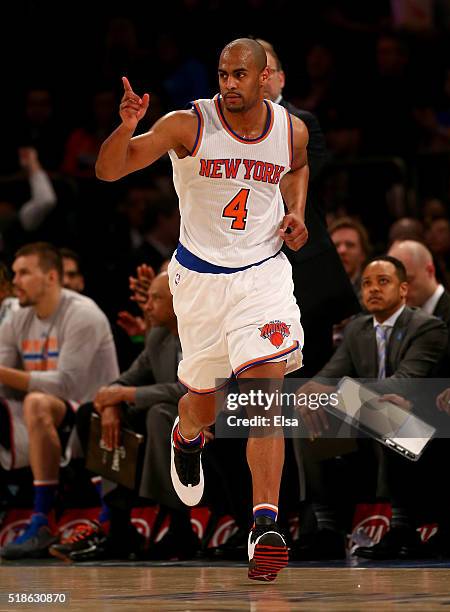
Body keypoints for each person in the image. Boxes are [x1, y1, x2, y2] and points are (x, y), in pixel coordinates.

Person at [96, 38, 309, 582]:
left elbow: (297, 166)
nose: (229, 83)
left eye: (240, 74)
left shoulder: (292, 130)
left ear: (265, 77)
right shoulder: (186, 124)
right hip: (199, 280)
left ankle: (265, 524)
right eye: (222, 73)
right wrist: (125, 127)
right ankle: (185, 436)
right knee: (202, 404)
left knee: (265, 393)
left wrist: (296, 213)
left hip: (262, 274)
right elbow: (109, 172)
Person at [296, 256, 447, 560]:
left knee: (374, 405)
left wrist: (336, 391)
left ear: (403, 289)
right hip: (368, 427)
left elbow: (403, 384)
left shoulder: (427, 327)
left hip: (424, 431)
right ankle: (327, 528)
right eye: (366, 283)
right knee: (309, 406)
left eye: (383, 281)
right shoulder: (357, 329)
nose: (373, 289)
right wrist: (309, 390)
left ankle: (403, 526)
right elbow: (328, 375)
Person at [50, 272, 199, 562]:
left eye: (156, 298)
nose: (147, 305)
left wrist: (125, 396)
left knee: (160, 416)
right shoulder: (157, 337)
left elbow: (190, 388)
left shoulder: (202, 334)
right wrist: (109, 405)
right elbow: (124, 381)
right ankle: (120, 528)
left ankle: (180, 528)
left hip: (211, 421)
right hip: (167, 417)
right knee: (88, 413)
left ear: (179, 301)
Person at [0, 242, 119, 560]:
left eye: (24, 273)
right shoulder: (16, 317)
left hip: (95, 408)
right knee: (34, 402)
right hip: (49, 414)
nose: (16, 281)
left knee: (37, 402)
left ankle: (40, 518)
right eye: (14, 273)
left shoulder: (83, 313)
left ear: (51, 277)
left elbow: (67, 384)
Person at [257, 38, 360, 377]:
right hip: (253, 260)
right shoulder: (225, 134)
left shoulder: (301, 123)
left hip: (302, 263)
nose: (259, 78)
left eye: (266, 70)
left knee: (309, 367)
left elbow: (299, 177)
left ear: (280, 78)